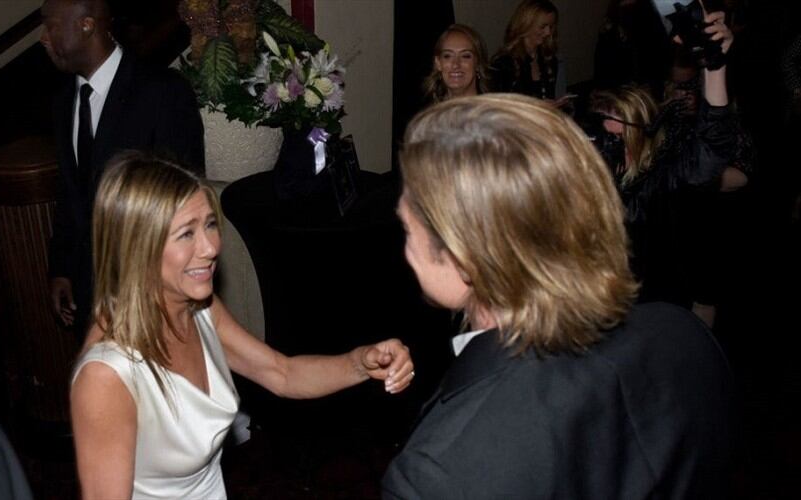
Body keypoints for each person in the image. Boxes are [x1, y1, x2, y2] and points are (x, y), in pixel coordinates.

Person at [380, 94, 732, 498]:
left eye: (408, 230)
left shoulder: (438, 473)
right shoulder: (684, 334)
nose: (404, 248)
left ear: (464, 259)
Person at [71, 152, 416, 500]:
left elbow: (282, 373)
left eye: (209, 224)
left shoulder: (198, 308)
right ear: (138, 247)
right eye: (186, 234)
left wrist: (359, 362)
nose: (210, 247)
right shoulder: (107, 376)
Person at [41, 0, 204, 337]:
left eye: (51, 25)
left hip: (152, 298)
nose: (44, 38)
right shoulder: (62, 102)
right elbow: (71, 196)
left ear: (86, 25)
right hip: (90, 298)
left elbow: (182, 198)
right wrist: (62, 269)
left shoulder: (162, 92)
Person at [588, 11, 738, 314]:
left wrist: (715, 65)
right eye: (608, 140)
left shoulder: (660, 178)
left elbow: (710, 153)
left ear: (643, 138)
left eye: (623, 141)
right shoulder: (582, 173)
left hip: (651, 312)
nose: (615, 152)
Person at [489, 0, 567, 105]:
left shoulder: (549, 59)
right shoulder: (504, 63)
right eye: (542, 27)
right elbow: (497, 107)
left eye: (551, 27)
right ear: (526, 24)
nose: (548, 32)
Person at [593, 0, 671, 98]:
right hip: (622, 94)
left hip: (647, 91)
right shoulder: (610, 32)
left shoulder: (648, 18)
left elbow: (660, 55)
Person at [423, 24, 490, 104]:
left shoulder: (494, 113)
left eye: (465, 56)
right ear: (438, 63)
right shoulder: (429, 115)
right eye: (447, 56)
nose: (455, 65)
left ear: (478, 63)